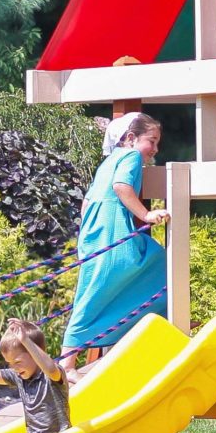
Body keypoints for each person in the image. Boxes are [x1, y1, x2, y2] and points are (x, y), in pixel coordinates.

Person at [62, 111, 170, 366]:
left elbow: (86, 203)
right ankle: (67, 364)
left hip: (93, 230)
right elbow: (121, 187)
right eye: (151, 141)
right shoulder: (131, 156)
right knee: (102, 287)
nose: (154, 149)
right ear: (131, 138)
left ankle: (151, 314)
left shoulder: (109, 160)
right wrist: (147, 214)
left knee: (152, 261)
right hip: (110, 227)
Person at [0, 316, 72, 433]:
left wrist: (25, 340)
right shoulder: (19, 377)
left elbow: (50, 369)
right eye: (10, 363)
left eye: (17, 362)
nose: (14, 368)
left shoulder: (52, 377)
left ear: (34, 353)